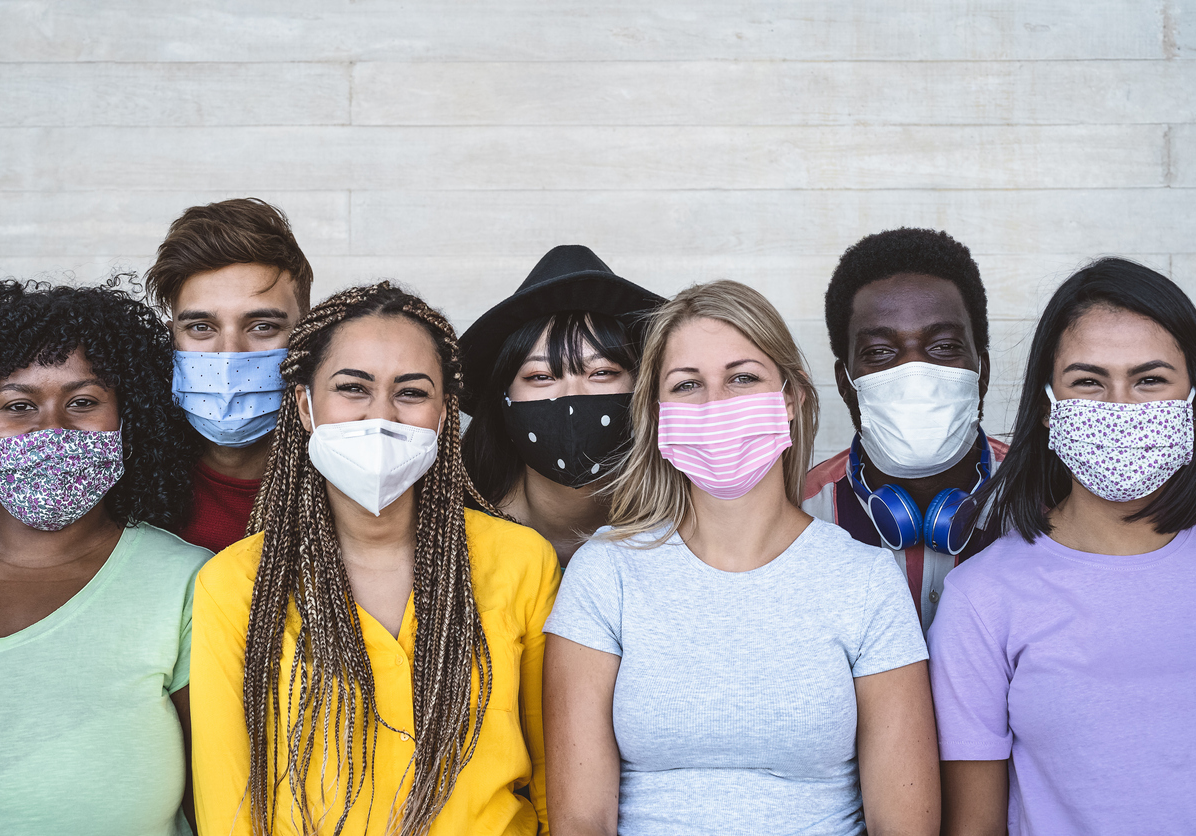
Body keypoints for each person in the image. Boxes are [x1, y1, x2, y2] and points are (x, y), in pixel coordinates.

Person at [544, 280, 938, 836]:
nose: (715, 403)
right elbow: (581, 821)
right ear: (657, 414)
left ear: (792, 398)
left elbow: (905, 825)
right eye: (687, 385)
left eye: (743, 378)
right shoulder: (606, 571)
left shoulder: (865, 580)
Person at [191, 282, 561, 836]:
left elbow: (558, 777)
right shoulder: (235, 583)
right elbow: (229, 809)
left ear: (443, 415)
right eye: (353, 388)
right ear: (305, 406)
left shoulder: (521, 561)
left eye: (410, 392)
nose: (380, 414)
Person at [929, 258, 1196, 835]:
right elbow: (975, 825)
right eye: (1088, 380)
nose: (1121, 407)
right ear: (1049, 406)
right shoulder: (983, 596)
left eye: (1150, 379)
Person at [0, 280, 209, 836]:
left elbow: (224, 793)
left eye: (83, 402)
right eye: (19, 406)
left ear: (127, 427)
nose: (53, 430)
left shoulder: (188, 582)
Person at [803, 228, 1006, 632]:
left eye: (944, 346)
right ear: (846, 384)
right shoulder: (799, 514)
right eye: (879, 352)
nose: (913, 371)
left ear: (982, 372)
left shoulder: (1050, 500)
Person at [460, 245, 664, 565]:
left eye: (602, 373)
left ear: (643, 388)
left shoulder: (680, 529)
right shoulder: (456, 535)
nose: (572, 395)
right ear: (503, 398)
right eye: (541, 376)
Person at [145, 197, 313, 553]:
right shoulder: (129, 485)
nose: (231, 353)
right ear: (171, 337)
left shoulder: (348, 481)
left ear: (306, 336)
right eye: (202, 327)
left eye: (262, 326)